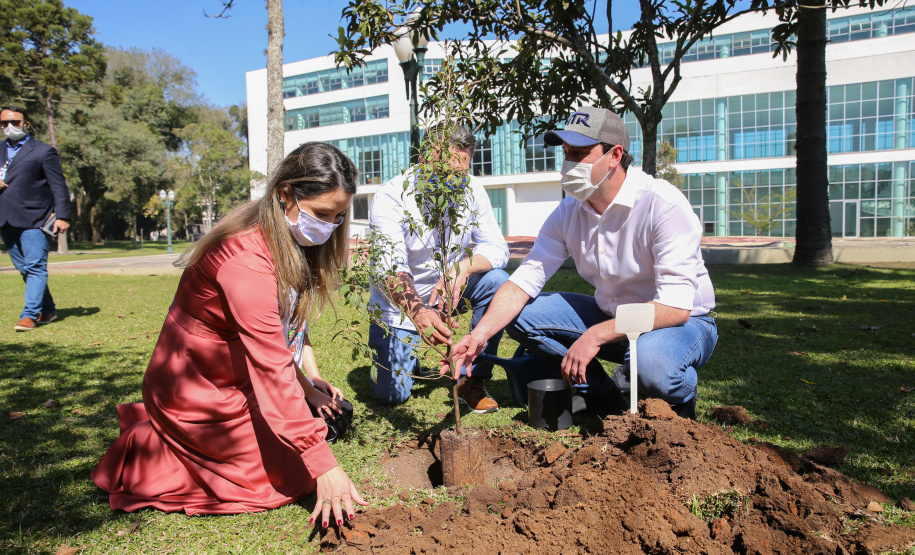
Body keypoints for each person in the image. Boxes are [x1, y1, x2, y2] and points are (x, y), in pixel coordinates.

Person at [92, 142, 367, 526]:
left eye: (338, 217)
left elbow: (282, 341)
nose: (329, 226)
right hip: (197, 383)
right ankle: (148, 449)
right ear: (285, 193)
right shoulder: (244, 260)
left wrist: (308, 388)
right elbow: (271, 363)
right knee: (285, 479)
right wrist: (324, 466)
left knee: (321, 429)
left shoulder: (285, 239)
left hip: (237, 373)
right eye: (322, 214)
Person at [446, 107, 718, 419]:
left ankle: (678, 402)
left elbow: (676, 307)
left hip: (679, 323)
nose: (568, 164)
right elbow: (523, 281)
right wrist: (479, 335)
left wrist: (595, 335)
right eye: (566, 153)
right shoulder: (568, 212)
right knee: (520, 315)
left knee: (653, 366)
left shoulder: (662, 206)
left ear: (615, 155)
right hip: (612, 315)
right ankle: (605, 398)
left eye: (579, 153)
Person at [368, 123, 510, 412]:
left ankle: (473, 378)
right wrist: (420, 312)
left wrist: (462, 269)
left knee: (497, 282)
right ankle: (406, 353)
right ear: (423, 159)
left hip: (449, 292)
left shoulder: (472, 189)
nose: (452, 182)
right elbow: (390, 267)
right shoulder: (392, 195)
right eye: (443, 173)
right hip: (401, 305)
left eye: (460, 173)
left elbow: (497, 247)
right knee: (391, 395)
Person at [0, 105, 72, 331]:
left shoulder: (43, 151)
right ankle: (48, 310)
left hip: (36, 219)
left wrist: (63, 216)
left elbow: (58, 186)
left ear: (26, 124)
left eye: (15, 122)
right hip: (5, 218)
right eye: (4, 123)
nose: (9, 127)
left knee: (35, 266)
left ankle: (29, 315)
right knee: (25, 268)